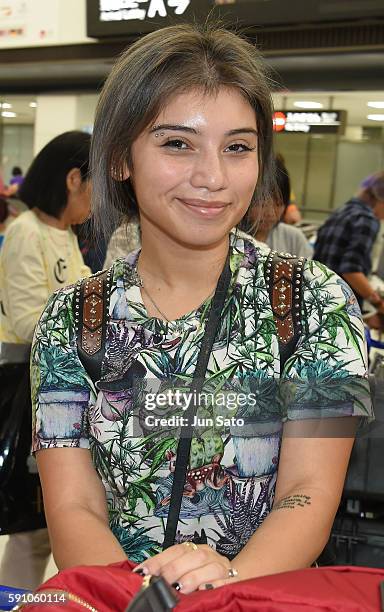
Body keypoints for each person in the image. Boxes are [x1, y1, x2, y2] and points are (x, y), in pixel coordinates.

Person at [31, 23, 372, 593]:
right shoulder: (71, 319)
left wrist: (226, 584)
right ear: (119, 158)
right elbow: (73, 504)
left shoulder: (316, 302)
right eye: (177, 143)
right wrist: (141, 597)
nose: (212, 178)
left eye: (237, 147)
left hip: (260, 594)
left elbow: (306, 492)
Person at [0, 131, 91, 589]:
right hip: (25, 385)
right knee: (28, 526)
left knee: (47, 523)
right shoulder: (25, 232)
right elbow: (27, 320)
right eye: (96, 187)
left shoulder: (66, 235)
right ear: (74, 179)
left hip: (60, 387)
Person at [314, 172, 384, 317]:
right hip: (342, 308)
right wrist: (378, 304)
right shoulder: (367, 220)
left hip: (317, 300)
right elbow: (351, 270)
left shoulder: (340, 212)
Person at [253, 156, 312, 258]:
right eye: (261, 204)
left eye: (279, 204)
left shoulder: (293, 238)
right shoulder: (229, 239)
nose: (270, 213)